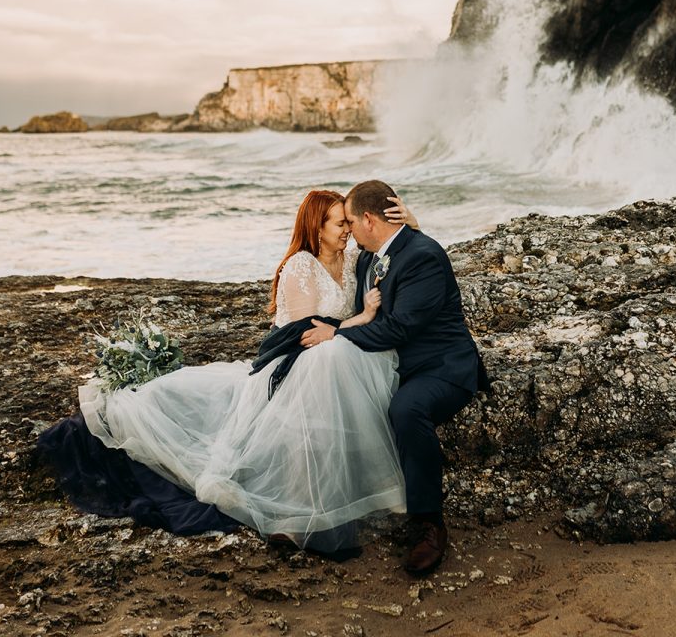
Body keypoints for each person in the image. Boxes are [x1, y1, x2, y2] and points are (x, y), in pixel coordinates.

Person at [42, 189, 419, 554]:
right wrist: (363, 318)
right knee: (304, 396)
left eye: (348, 223)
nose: (348, 230)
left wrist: (411, 223)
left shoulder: (354, 260)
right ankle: (293, 514)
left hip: (332, 356)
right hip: (296, 358)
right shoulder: (301, 265)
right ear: (316, 227)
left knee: (345, 366)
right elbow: (304, 332)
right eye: (339, 223)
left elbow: (396, 249)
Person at [302, 180, 485, 575]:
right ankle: (327, 510)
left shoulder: (423, 257)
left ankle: (429, 523)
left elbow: (399, 329)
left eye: (351, 221)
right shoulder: (370, 257)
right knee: (332, 390)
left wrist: (338, 333)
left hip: (440, 367)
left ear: (369, 219)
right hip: (393, 364)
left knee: (406, 408)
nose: (348, 230)